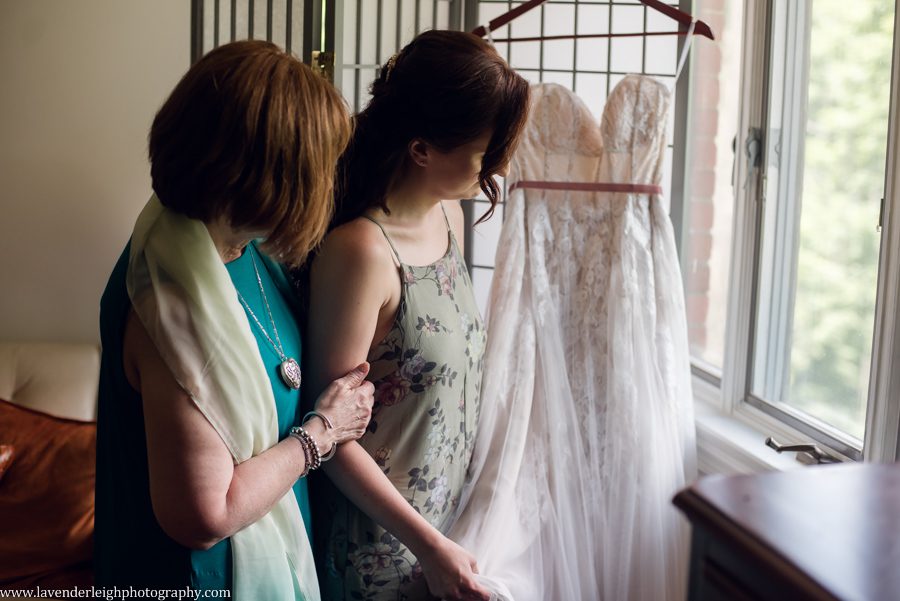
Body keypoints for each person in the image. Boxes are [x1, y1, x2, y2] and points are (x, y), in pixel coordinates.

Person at [95, 40, 374, 600]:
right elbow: (203, 513)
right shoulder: (173, 302)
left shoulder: (247, 250)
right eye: (321, 170)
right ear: (272, 179)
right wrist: (323, 432)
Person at [305, 30, 530, 601]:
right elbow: (329, 434)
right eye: (484, 156)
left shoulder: (447, 216)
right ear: (422, 148)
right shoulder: (361, 253)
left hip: (445, 535)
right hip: (377, 551)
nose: (493, 174)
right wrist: (427, 545)